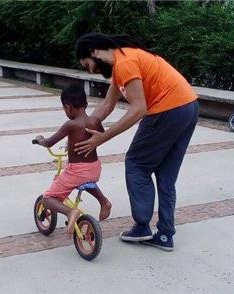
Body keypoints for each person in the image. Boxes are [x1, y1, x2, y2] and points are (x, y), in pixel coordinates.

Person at [74, 32, 199, 252]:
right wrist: (84, 128)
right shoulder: (123, 62)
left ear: (94, 53)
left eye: (88, 65)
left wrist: (103, 137)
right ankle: (165, 235)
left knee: (136, 163)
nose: (90, 70)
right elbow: (106, 106)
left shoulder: (125, 63)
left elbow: (139, 108)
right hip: (188, 106)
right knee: (165, 175)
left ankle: (142, 226)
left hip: (168, 109)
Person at [33, 85, 112, 236]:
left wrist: (40, 139)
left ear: (68, 107)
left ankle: (70, 212)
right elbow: (100, 135)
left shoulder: (71, 124)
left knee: (48, 198)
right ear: (85, 103)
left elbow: (50, 142)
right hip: (94, 169)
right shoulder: (95, 120)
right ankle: (104, 201)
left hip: (77, 171)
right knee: (84, 180)